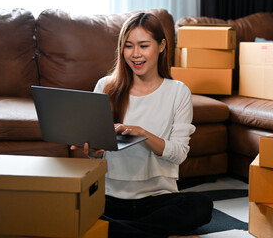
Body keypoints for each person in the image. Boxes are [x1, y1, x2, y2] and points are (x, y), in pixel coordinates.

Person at [71, 12, 213, 238]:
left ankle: (116, 232)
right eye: (128, 46)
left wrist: (143, 134)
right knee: (71, 209)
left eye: (144, 45)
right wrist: (94, 152)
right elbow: (97, 153)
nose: (135, 54)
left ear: (161, 46)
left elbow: (179, 154)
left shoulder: (178, 91)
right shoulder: (105, 86)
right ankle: (157, 234)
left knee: (202, 205)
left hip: (158, 199)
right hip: (110, 197)